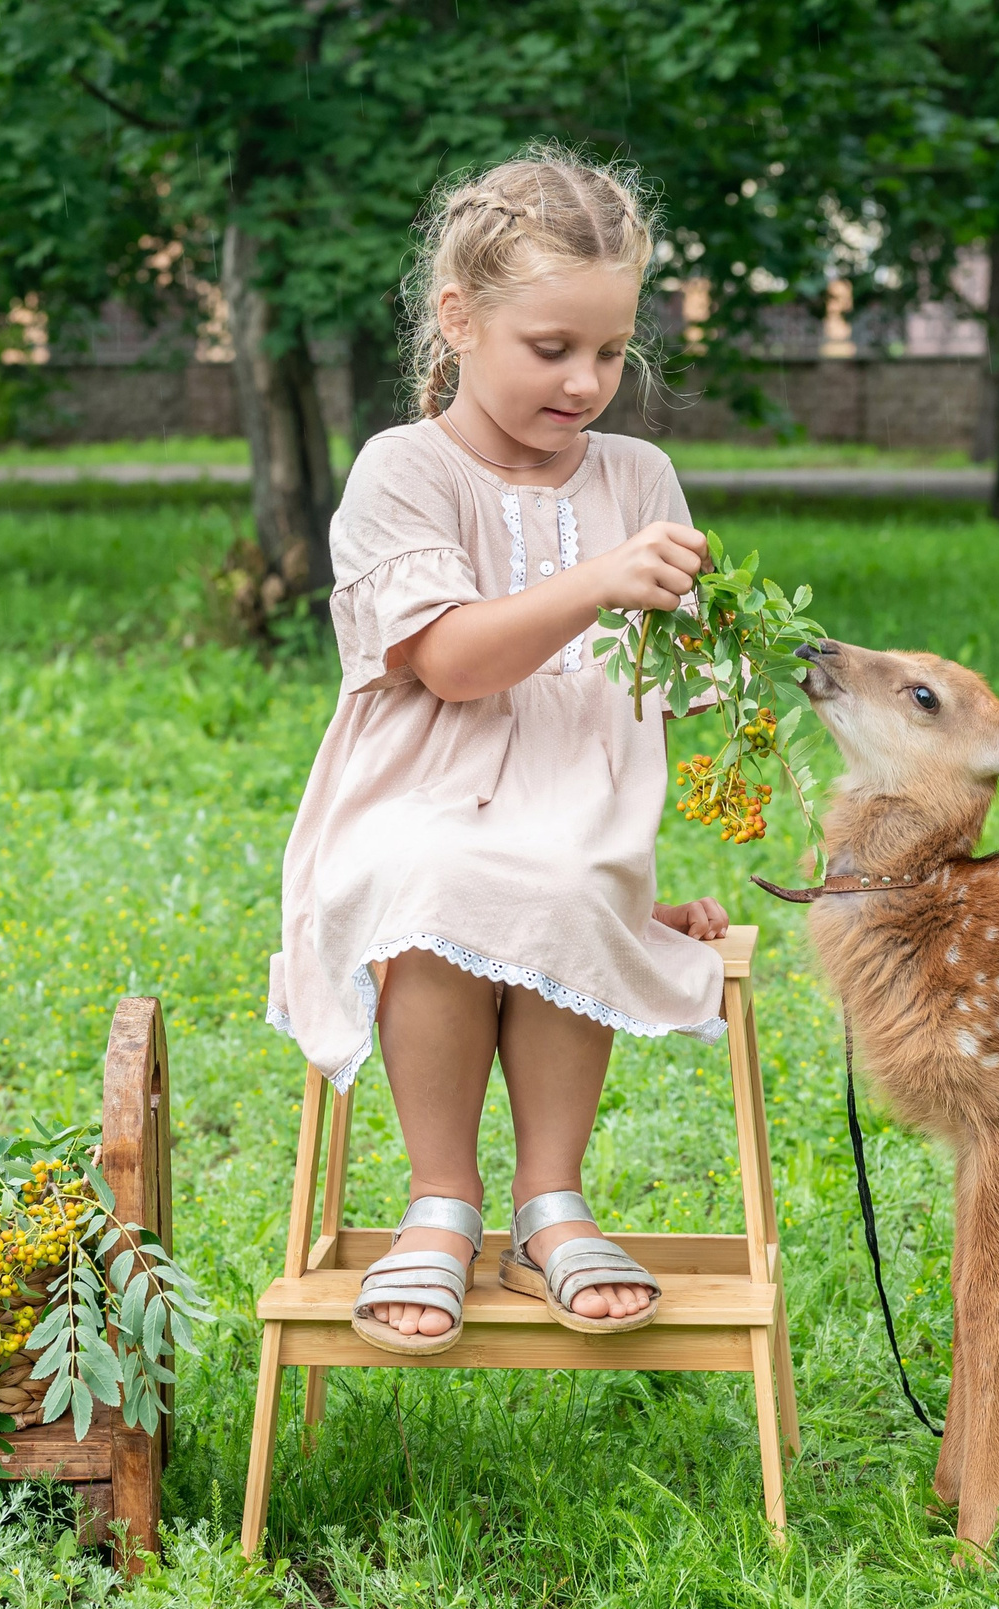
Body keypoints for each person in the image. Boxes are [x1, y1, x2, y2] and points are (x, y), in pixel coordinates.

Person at [266, 145, 731, 1355]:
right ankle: (439, 1201)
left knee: (572, 877)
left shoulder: (638, 476)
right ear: (459, 319)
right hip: (421, 793)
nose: (585, 380)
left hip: (573, 804)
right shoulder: (401, 469)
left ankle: (550, 1204)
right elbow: (453, 662)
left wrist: (717, 655)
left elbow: (670, 677)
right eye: (551, 348)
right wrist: (599, 579)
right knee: (438, 881)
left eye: (610, 350)